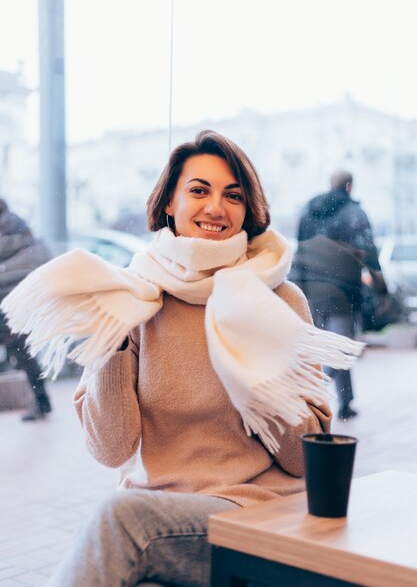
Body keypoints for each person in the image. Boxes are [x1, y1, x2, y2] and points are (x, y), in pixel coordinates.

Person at [1, 132, 363, 587]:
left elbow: (301, 461)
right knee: (125, 531)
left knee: (121, 520)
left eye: (233, 195)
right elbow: (111, 449)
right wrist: (112, 342)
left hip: (254, 512)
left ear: (248, 210)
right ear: (168, 203)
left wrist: (260, 378)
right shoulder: (131, 298)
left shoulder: (277, 300)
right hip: (156, 515)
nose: (216, 207)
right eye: (199, 190)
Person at [291, 169, 387, 421]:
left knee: (319, 346)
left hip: (308, 289)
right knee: (340, 348)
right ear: (349, 186)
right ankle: (331, 399)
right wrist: (380, 286)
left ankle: (327, 399)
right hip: (340, 291)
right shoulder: (355, 214)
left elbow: (298, 246)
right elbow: (368, 249)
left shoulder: (307, 210)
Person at [0, 198, 52, 421]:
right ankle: (41, 400)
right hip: (17, 299)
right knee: (21, 351)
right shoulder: (15, 222)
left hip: (10, 299)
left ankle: (41, 400)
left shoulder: (8, 225)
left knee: (20, 350)